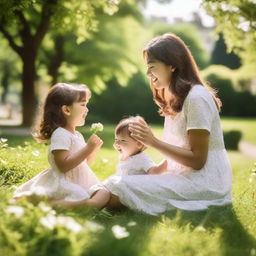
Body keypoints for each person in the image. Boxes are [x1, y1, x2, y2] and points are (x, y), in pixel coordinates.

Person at [101, 33, 232, 215]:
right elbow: (180, 149)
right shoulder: (176, 97)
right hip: (183, 177)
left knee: (117, 190)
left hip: (204, 183)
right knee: (114, 186)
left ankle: (73, 206)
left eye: (152, 67)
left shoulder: (196, 98)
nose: (148, 74)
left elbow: (198, 160)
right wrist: (153, 172)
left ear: (172, 65)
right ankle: (71, 202)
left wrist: (153, 142)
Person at [13, 83, 110, 209]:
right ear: (67, 110)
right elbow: (63, 166)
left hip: (79, 180)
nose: (87, 109)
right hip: (65, 182)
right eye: (83, 104)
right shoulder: (61, 134)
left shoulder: (78, 135)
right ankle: (52, 204)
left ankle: (86, 204)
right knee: (79, 195)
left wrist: (92, 151)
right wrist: (88, 148)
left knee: (104, 192)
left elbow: (83, 164)